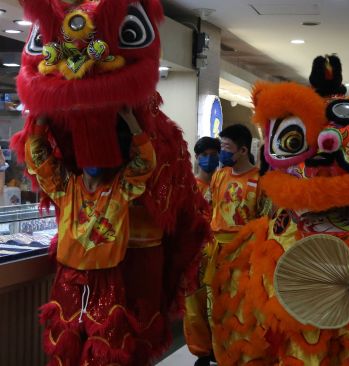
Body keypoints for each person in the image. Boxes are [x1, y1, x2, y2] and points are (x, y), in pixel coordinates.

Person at [26, 110, 156, 365]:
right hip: (68, 279)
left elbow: (146, 163)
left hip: (107, 280)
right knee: (66, 345)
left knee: (105, 349)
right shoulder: (66, 187)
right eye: (88, 153)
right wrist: (41, 118)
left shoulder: (120, 189)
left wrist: (130, 120)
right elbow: (38, 157)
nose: (93, 159)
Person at [205, 124, 262, 356]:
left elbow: (262, 220)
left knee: (240, 307)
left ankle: (243, 354)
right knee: (214, 307)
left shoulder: (259, 180)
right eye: (222, 147)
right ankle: (220, 355)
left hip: (243, 253)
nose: (222, 153)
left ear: (243, 151)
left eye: (227, 148)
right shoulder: (218, 176)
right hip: (215, 250)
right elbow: (213, 209)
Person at [184, 136, 221, 366]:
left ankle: (219, 348)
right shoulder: (189, 188)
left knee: (218, 304)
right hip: (194, 255)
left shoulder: (225, 184)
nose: (209, 159)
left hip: (219, 255)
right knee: (193, 307)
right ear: (197, 158)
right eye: (204, 155)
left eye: (213, 154)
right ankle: (202, 352)